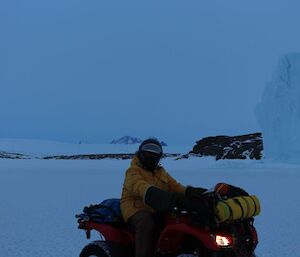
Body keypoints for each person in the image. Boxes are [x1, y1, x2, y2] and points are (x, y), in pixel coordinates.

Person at [120, 139, 207, 257]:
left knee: (180, 219)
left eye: (155, 154)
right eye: (148, 152)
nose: (151, 156)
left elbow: (174, 186)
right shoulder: (133, 171)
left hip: (158, 204)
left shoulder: (160, 172)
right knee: (146, 222)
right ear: (141, 153)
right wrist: (156, 194)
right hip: (135, 207)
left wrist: (190, 192)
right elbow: (139, 186)